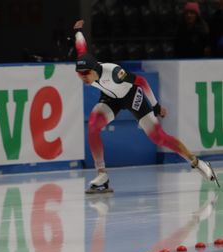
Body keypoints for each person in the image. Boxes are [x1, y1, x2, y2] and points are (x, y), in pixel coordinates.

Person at [72, 19, 219, 193]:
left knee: (159, 137)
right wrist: (78, 31)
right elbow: (81, 46)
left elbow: (141, 81)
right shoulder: (85, 64)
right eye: (79, 75)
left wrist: (155, 106)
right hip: (111, 97)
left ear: (93, 70)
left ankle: (197, 162)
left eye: (84, 75)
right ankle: (102, 174)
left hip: (131, 95)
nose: (82, 78)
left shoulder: (114, 73)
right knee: (93, 125)